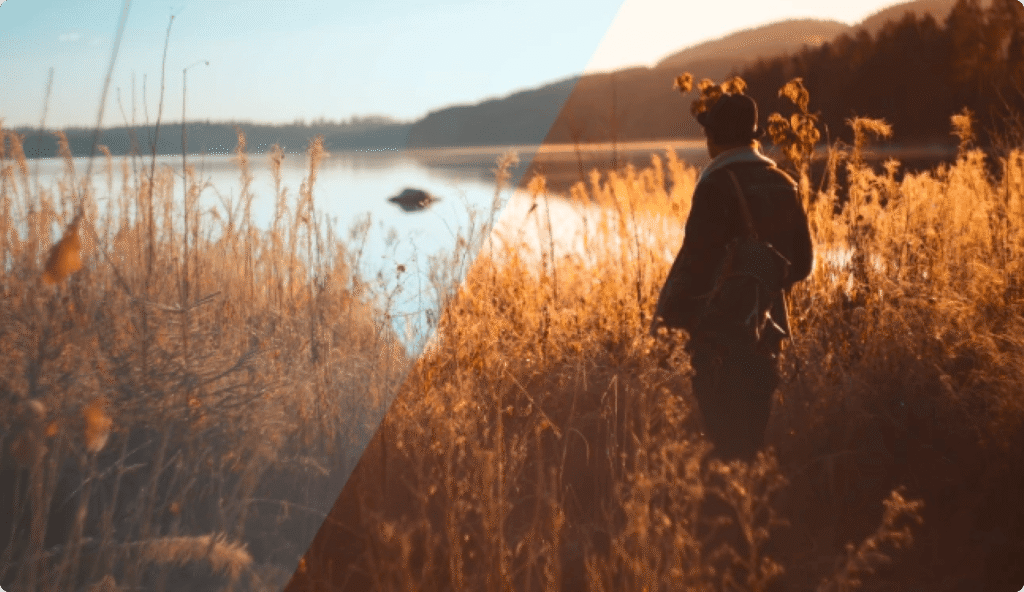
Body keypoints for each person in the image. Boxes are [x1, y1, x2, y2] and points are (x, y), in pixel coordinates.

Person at [651, 91, 814, 464]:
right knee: (750, 444)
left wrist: (666, 330)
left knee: (721, 445)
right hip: (767, 335)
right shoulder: (784, 183)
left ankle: (722, 518)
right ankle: (749, 515)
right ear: (753, 136)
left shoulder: (715, 186)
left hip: (718, 342)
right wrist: (760, 279)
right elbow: (803, 264)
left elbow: (695, 268)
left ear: (713, 138)